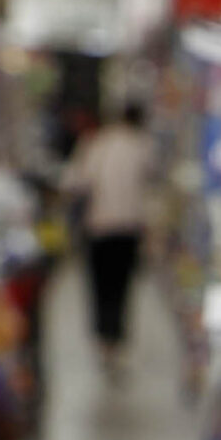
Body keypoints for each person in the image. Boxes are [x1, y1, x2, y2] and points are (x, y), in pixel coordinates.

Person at [57, 103, 153, 372]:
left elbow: (74, 181)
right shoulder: (141, 145)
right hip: (129, 229)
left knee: (100, 286)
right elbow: (150, 179)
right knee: (122, 286)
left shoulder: (94, 145)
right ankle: (117, 339)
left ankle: (103, 340)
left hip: (99, 227)